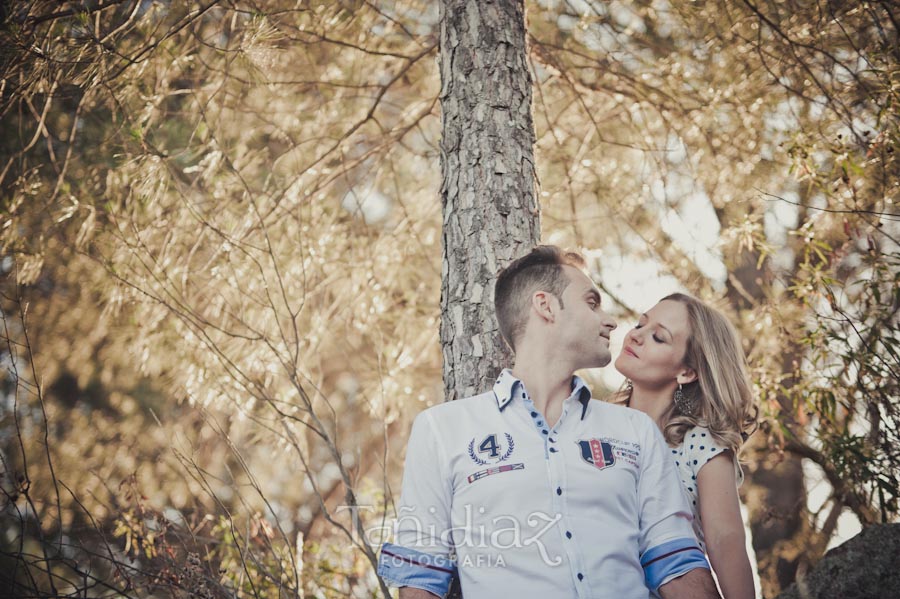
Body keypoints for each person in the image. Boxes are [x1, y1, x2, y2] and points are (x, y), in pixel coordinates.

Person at [377, 246, 720, 599]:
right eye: (591, 302)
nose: (611, 321)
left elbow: (676, 563)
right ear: (546, 306)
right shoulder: (442, 429)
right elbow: (421, 576)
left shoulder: (636, 431)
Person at [613, 293, 759, 599]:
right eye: (640, 323)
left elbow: (725, 539)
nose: (636, 335)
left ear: (687, 372)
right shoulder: (591, 424)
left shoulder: (701, 444)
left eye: (658, 336)